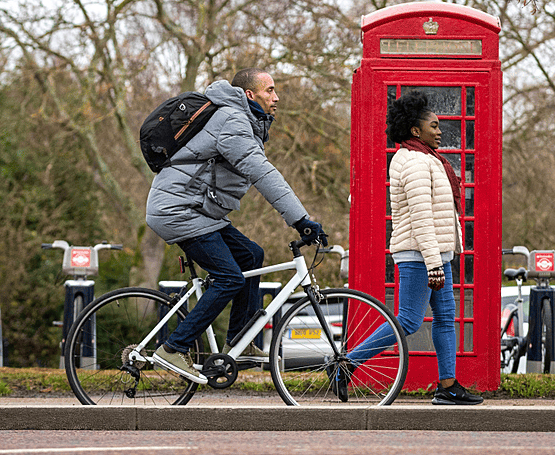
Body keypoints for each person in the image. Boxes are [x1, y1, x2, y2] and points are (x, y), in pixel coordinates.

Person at [145, 68, 328, 383]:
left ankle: (240, 342)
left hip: (198, 211)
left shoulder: (242, 121)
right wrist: (300, 219)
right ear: (250, 95)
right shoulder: (232, 121)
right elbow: (262, 172)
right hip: (178, 210)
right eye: (270, 90)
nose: (277, 97)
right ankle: (173, 348)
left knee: (251, 256)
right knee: (229, 277)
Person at [336, 92, 484, 405]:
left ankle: (447, 386)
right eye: (434, 125)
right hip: (420, 256)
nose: (441, 130)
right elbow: (421, 217)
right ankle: (347, 363)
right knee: (408, 321)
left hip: (435, 254)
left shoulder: (427, 158)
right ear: (416, 131)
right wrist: (433, 263)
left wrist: (442, 257)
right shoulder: (415, 163)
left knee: (445, 319)